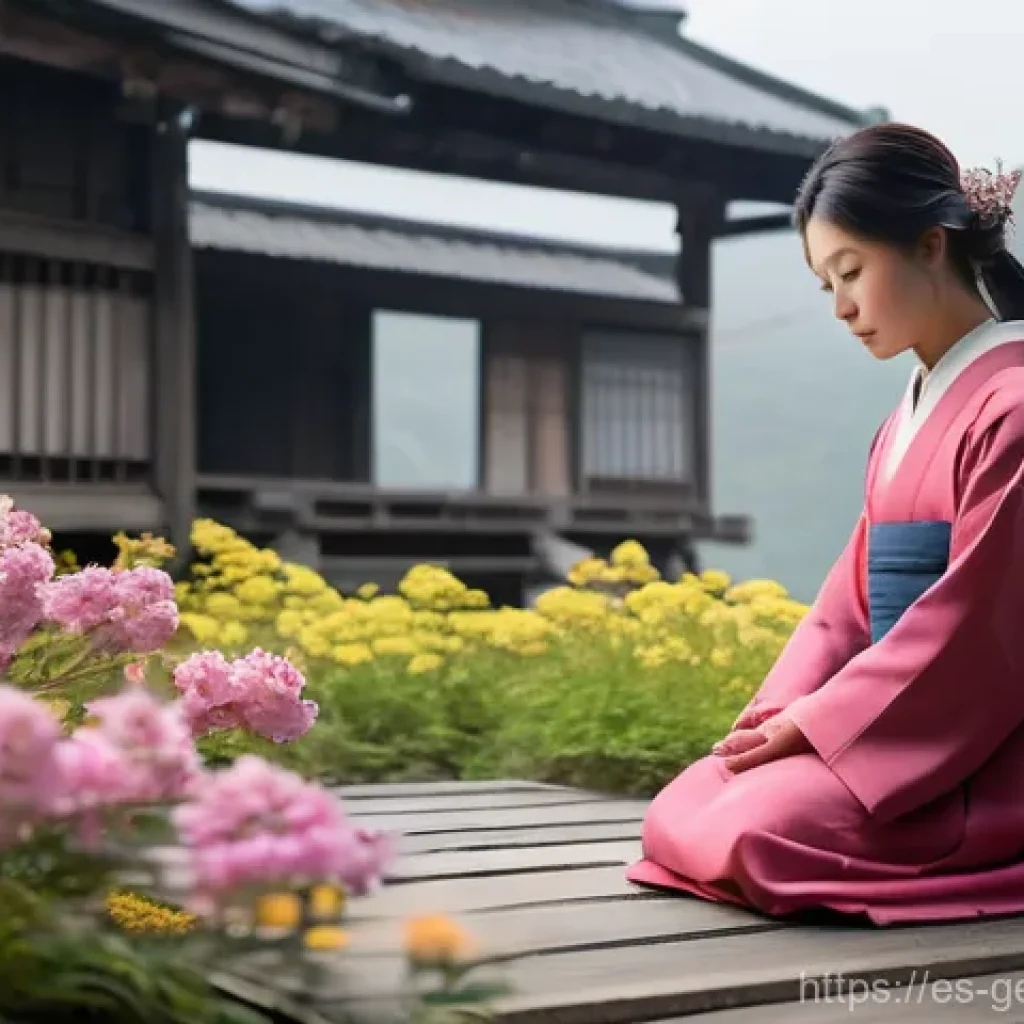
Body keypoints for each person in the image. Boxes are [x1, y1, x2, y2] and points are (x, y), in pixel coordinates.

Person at [625, 122, 1024, 926]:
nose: (842, 309)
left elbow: (975, 626)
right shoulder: (906, 417)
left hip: (972, 747)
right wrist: (782, 718)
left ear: (929, 245)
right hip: (887, 720)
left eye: (852, 272)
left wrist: (822, 726)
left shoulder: (1012, 404)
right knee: (696, 799)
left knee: (749, 829)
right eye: (826, 287)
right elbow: (845, 604)